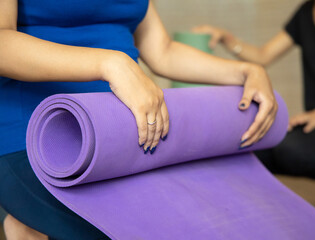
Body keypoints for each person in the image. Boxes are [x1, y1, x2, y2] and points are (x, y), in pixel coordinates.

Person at [0, 0, 278, 239]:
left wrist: (244, 71)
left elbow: (163, 51)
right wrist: (108, 64)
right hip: (40, 134)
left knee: (203, 218)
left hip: (126, 133)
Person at [194, 0, 315, 215]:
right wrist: (226, 38)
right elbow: (263, 56)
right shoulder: (305, 13)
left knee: (293, 149)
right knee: (257, 149)